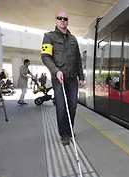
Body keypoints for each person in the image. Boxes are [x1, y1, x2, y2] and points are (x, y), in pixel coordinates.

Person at [41, 11, 84, 146]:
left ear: (67, 21)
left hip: (72, 78)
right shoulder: (49, 37)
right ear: (56, 21)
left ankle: (69, 128)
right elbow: (45, 56)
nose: (62, 21)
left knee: (73, 105)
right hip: (58, 78)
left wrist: (81, 77)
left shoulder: (73, 39)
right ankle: (64, 133)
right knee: (61, 106)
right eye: (60, 18)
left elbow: (78, 60)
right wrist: (56, 71)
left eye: (65, 19)